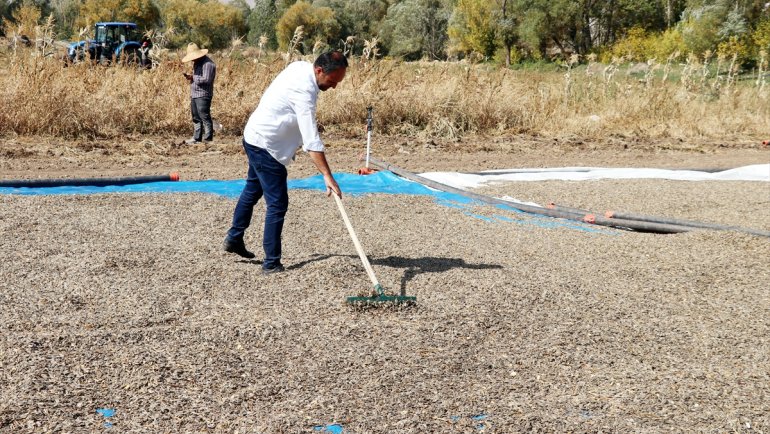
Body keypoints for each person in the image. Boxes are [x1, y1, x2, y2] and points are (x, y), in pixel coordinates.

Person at [223, 51, 348, 275]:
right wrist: (328, 176)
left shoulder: (301, 66)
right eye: (332, 81)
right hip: (266, 146)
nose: (334, 87)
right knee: (277, 204)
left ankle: (234, 238)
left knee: (252, 189)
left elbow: (288, 108)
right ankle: (271, 263)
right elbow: (311, 141)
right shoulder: (305, 91)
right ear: (319, 71)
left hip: (255, 135)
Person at [182, 42, 216, 143]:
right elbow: (199, 78)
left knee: (204, 116)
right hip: (195, 94)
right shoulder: (197, 63)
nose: (192, 59)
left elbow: (207, 79)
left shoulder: (208, 64)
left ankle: (208, 139)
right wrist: (190, 77)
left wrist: (193, 77)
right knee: (196, 117)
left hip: (203, 94)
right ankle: (197, 138)